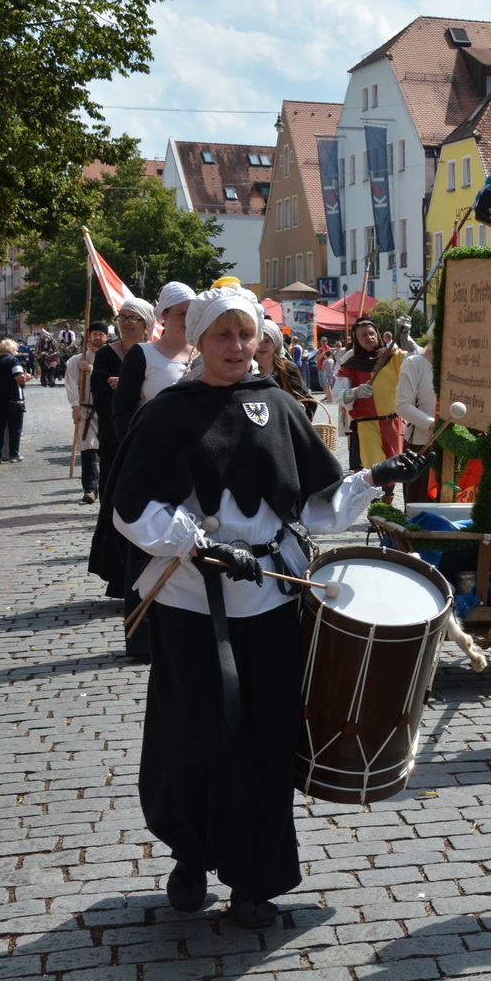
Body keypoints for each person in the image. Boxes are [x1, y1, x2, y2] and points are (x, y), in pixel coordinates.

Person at [103, 285, 428, 930]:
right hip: (191, 602)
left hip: (272, 598)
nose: (236, 347)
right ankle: (192, 855)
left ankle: (256, 879)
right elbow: (132, 507)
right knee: (196, 734)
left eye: (245, 335)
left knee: (265, 738)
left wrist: (375, 477)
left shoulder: (279, 406)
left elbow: (312, 504)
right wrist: (197, 548)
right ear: (198, 339)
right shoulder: (169, 413)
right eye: (222, 335)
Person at [332, 316, 410, 501]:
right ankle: (375, 504)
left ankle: (387, 503)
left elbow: (416, 359)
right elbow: (338, 394)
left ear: (378, 335)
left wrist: (405, 334)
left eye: (371, 333)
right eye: (363, 335)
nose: (369, 337)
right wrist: (355, 392)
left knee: (394, 464)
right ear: (356, 340)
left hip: (392, 421)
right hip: (367, 423)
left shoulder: (392, 355)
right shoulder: (350, 363)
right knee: (375, 467)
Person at [114, 281, 197, 445]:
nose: (188, 319)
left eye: (192, 313)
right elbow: (123, 409)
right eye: (181, 313)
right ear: (164, 315)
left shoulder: (206, 352)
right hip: (155, 446)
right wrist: (131, 450)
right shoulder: (143, 354)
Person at [95, 299, 151, 496]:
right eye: (122, 317)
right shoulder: (106, 354)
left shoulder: (155, 354)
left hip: (148, 434)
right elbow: (102, 396)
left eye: (133, 318)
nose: (126, 322)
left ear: (146, 323)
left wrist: (127, 383)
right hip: (114, 435)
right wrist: (118, 436)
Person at [65, 322, 109, 504]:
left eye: (101, 334)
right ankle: (90, 489)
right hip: (86, 408)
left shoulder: (112, 357)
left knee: (108, 449)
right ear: (89, 336)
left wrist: (91, 369)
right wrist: (75, 407)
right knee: (88, 447)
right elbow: (71, 384)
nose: (97, 337)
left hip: (108, 408)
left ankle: (107, 487)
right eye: (94, 334)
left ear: (106, 337)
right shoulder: (76, 360)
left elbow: (115, 378)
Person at [394, 337, 437, 505]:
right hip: (423, 444)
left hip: (457, 445)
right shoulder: (415, 363)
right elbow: (403, 405)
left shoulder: (463, 363)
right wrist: (432, 423)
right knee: (422, 506)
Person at [0, 338, 30, 462]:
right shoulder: (14, 361)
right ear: (12, 350)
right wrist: (26, 378)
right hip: (13, 399)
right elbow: (18, 378)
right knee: (15, 428)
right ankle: (13, 454)